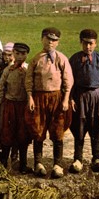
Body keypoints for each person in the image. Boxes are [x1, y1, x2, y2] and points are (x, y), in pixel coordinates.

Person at [25, 27, 74, 178]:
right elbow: (29, 80)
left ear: (58, 42)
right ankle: (38, 163)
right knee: (38, 129)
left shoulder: (61, 58)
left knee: (58, 130)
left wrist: (66, 99)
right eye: (48, 39)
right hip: (39, 98)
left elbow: (68, 80)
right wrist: (30, 97)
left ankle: (57, 165)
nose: (50, 43)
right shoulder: (36, 59)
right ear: (42, 39)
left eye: (54, 40)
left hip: (57, 98)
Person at [68, 29, 99, 173]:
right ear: (81, 43)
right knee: (79, 127)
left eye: (91, 44)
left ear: (96, 44)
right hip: (80, 97)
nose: (88, 47)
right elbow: (69, 81)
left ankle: (96, 158)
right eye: (85, 43)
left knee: (96, 127)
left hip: (96, 96)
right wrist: (70, 98)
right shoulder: (74, 59)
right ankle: (78, 159)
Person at [0, 42, 31, 172]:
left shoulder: (28, 69)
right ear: (13, 54)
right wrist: (1, 101)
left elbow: (31, 88)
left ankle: (22, 165)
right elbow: (0, 87)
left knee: (23, 134)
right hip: (9, 105)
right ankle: (3, 163)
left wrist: (29, 103)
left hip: (23, 106)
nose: (20, 56)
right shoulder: (8, 70)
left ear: (27, 55)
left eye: (23, 54)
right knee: (7, 132)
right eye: (17, 53)